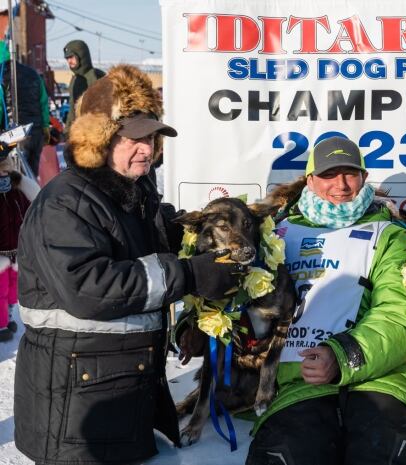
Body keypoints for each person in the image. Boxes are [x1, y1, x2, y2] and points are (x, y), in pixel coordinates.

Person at [13, 64, 245, 465]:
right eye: (133, 138)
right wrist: (191, 274)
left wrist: (204, 232)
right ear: (100, 138)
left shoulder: (133, 190)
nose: (147, 148)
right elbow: (90, 288)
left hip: (115, 390)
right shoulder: (66, 201)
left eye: (152, 137)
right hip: (76, 411)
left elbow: (146, 240)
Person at [243, 136, 406, 465]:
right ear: (310, 179)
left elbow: (400, 315)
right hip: (297, 384)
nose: (342, 185)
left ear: (364, 178)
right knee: (286, 455)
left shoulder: (390, 234)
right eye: (330, 174)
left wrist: (342, 355)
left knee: (387, 453)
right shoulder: (275, 235)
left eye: (351, 173)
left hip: (381, 381)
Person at [0, 143, 39, 342]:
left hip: (18, 249)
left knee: (13, 289)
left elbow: (31, 208)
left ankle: (7, 315)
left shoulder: (19, 188)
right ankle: (1, 324)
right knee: (0, 289)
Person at [0, 40, 50, 177]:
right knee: (32, 178)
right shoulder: (32, 73)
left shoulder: (1, 76)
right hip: (36, 133)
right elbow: (44, 102)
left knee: (17, 182)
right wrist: (45, 126)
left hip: (14, 137)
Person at [63, 39, 105, 129]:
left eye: (71, 57)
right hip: (78, 130)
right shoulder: (75, 79)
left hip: (95, 130)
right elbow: (72, 109)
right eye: (67, 58)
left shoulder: (97, 76)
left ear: (81, 56)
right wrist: (67, 131)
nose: (69, 61)